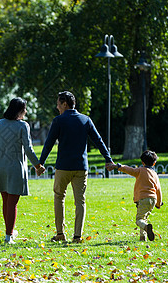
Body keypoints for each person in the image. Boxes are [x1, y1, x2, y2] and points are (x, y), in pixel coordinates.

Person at [38, 91, 114, 243]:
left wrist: (41, 163)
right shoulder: (85, 120)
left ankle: (60, 233)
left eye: (58, 104)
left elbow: (49, 143)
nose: (57, 107)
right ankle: (77, 236)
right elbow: (98, 141)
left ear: (64, 104)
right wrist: (108, 159)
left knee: (59, 197)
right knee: (80, 201)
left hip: (63, 167)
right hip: (81, 167)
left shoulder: (58, 121)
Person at [0, 97, 45, 244]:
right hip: (15, 168)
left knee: (6, 202)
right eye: (24, 109)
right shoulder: (23, 126)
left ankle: (9, 233)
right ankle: (8, 236)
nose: (25, 112)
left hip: (1, 167)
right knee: (12, 203)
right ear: (20, 110)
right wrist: (38, 165)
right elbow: (28, 149)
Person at [108, 150, 163, 241]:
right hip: (153, 199)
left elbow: (129, 169)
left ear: (142, 162)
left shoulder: (140, 170)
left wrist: (118, 166)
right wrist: (158, 203)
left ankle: (146, 227)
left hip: (143, 199)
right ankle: (143, 237)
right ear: (154, 163)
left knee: (139, 220)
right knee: (144, 217)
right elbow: (158, 190)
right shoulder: (155, 174)